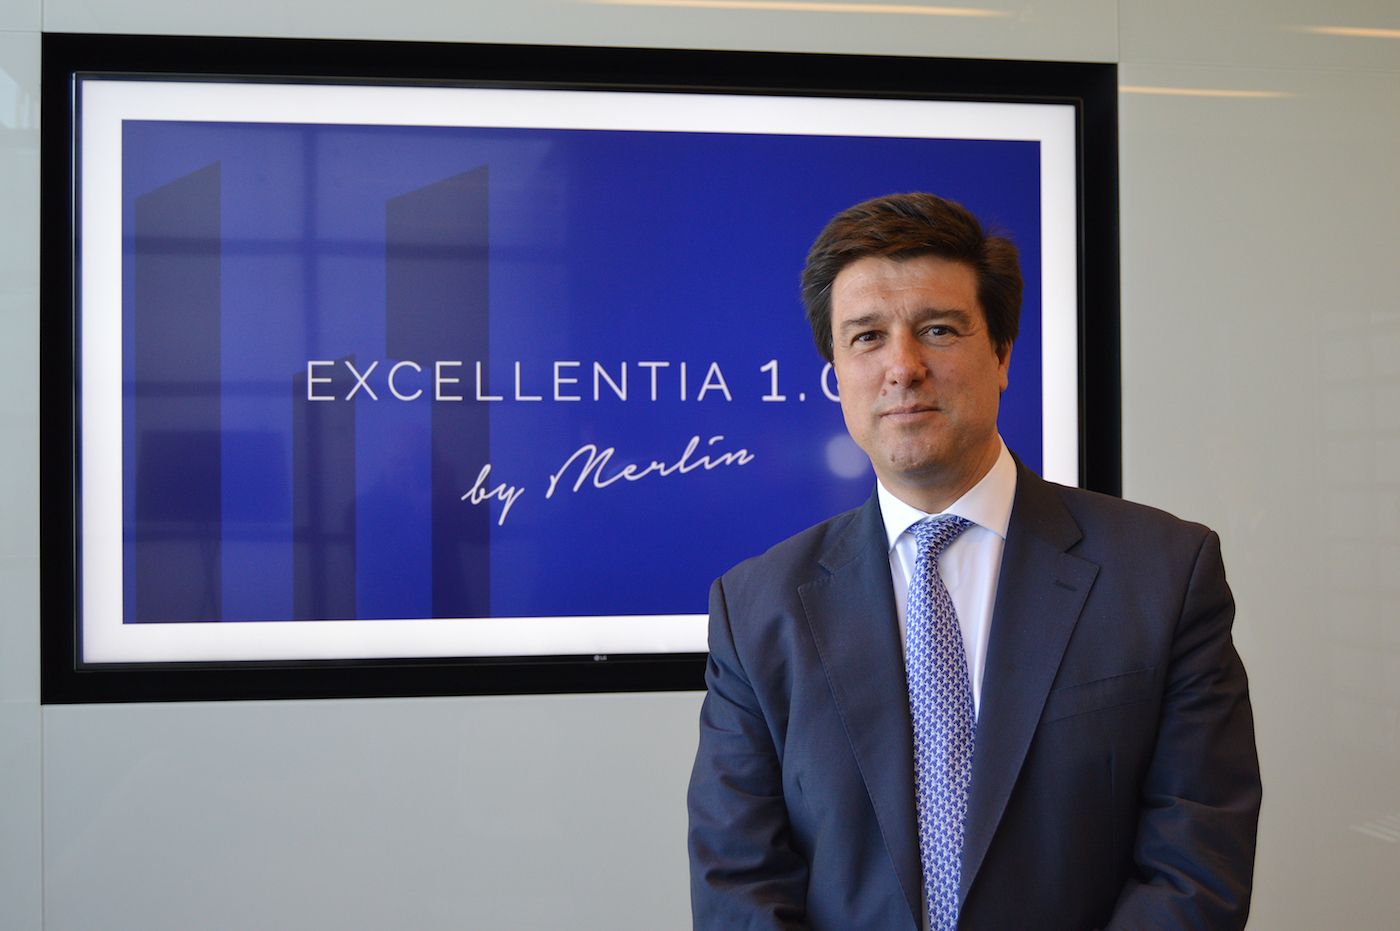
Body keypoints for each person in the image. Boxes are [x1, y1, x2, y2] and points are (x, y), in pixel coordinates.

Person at [686, 193, 1260, 930]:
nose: (903, 366)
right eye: (867, 337)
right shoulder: (755, 609)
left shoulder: (1165, 574)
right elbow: (739, 881)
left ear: (1002, 354)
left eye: (938, 329)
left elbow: (1196, 861)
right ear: (836, 372)